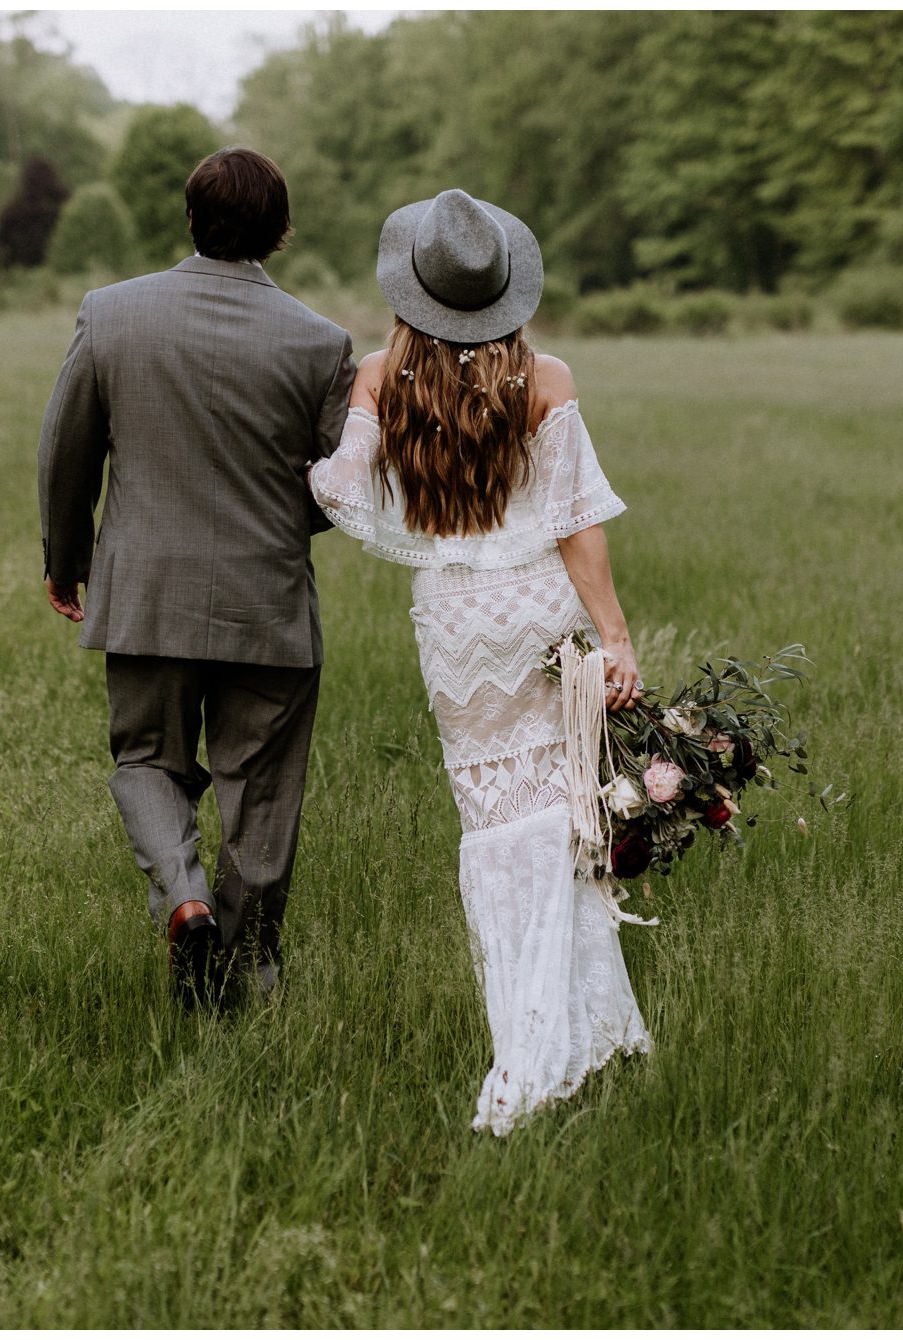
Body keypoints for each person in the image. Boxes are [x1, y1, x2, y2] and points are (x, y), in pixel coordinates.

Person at [307, 189, 652, 1134]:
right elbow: (577, 518)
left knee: (493, 829)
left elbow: (340, 485)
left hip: (455, 624)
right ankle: (583, 1035)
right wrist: (614, 636)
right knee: (562, 822)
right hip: (538, 615)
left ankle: (529, 1040)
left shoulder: (382, 376)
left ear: (413, 289)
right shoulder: (547, 378)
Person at [37, 148, 356, 1007]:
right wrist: (285, 521)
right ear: (280, 234)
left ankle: (183, 898)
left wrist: (66, 560)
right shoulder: (323, 343)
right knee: (264, 797)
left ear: (189, 219)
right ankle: (246, 972)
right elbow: (338, 486)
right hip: (271, 605)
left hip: (145, 592)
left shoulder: (112, 314)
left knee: (146, 759)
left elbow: (66, 455)